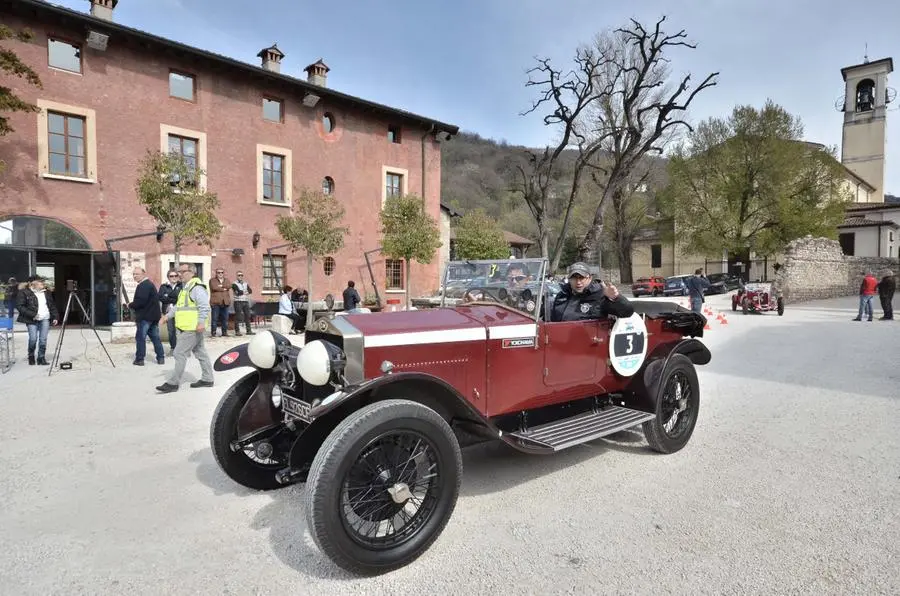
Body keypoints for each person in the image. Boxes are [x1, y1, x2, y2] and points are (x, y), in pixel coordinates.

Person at [156, 263, 214, 393]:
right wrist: (167, 316)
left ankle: (173, 383)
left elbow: (204, 307)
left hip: (191, 328)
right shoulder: (185, 288)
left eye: (182, 272)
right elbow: (178, 307)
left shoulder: (196, 288)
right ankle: (208, 378)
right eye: (178, 272)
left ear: (192, 273)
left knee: (179, 353)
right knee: (200, 352)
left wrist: (200, 323)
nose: (179, 275)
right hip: (188, 327)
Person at [549, 262, 634, 322]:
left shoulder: (600, 295)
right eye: (574, 278)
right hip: (562, 343)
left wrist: (616, 298)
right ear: (569, 279)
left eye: (581, 278)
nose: (578, 282)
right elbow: (552, 322)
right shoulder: (562, 296)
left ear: (589, 278)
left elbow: (627, 312)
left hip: (591, 343)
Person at [16, 275, 59, 365]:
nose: (43, 283)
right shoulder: (24, 293)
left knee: (43, 339)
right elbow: (20, 306)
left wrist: (55, 317)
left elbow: (51, 305)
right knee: (33, 339)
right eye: (40, 282)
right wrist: (33, 315)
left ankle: (41, 358)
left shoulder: (47, 293)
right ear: (33, 284)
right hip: (32, 319)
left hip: (45, 318)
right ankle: (31, 356)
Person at [128, 267, 165, 366]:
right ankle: (161, 357)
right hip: (153, 317)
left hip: (145, 317)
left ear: (144, 274)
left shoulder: (144, 285)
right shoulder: (149, 284)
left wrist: (130, 305)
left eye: (137, 274)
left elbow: (141, 302)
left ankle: (140, 359)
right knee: (155, 337)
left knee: (140, 337)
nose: (135, 276)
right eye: (134, 274)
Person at [158, 269, 182, 355]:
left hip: (180, 312)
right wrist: (173, 296)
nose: (174, 278)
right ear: (168, 277)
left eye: (175, 276)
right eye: (171, 276)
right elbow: (160, 297)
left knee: (180, 331)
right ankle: (173, 348)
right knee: (171, 331)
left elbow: (180, 298)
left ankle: (182, 349)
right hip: (168, 312)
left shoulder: (181, 285)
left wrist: (168, 296)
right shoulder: (163, 286)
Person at [230, 270, 255, 336]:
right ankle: (237, 331)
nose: (240, 276)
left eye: (241, 275)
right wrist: (245, 292)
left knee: (247, 316)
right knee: (238, 316)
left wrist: (243, 292)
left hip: (245, 301)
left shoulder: (245, 283)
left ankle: (248, 330)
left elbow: (250, 290)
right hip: (238, 301)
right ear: (236, 276)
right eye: (239, 275)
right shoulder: (234, 284)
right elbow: (237, 293)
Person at [208, 267, 232, 337]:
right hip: (216, 302)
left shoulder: (226, 280)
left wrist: (221, 286)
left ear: (223, 273)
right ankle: (213, 333)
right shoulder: (212, 280)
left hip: (225, 302)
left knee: (225, 319)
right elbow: (214, 287)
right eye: (219, 272)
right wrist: (224, 288)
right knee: (214, 318)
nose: (220, 274)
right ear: (216, 273)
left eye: (222, 272)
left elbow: (229, 286)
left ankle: (224, 332)